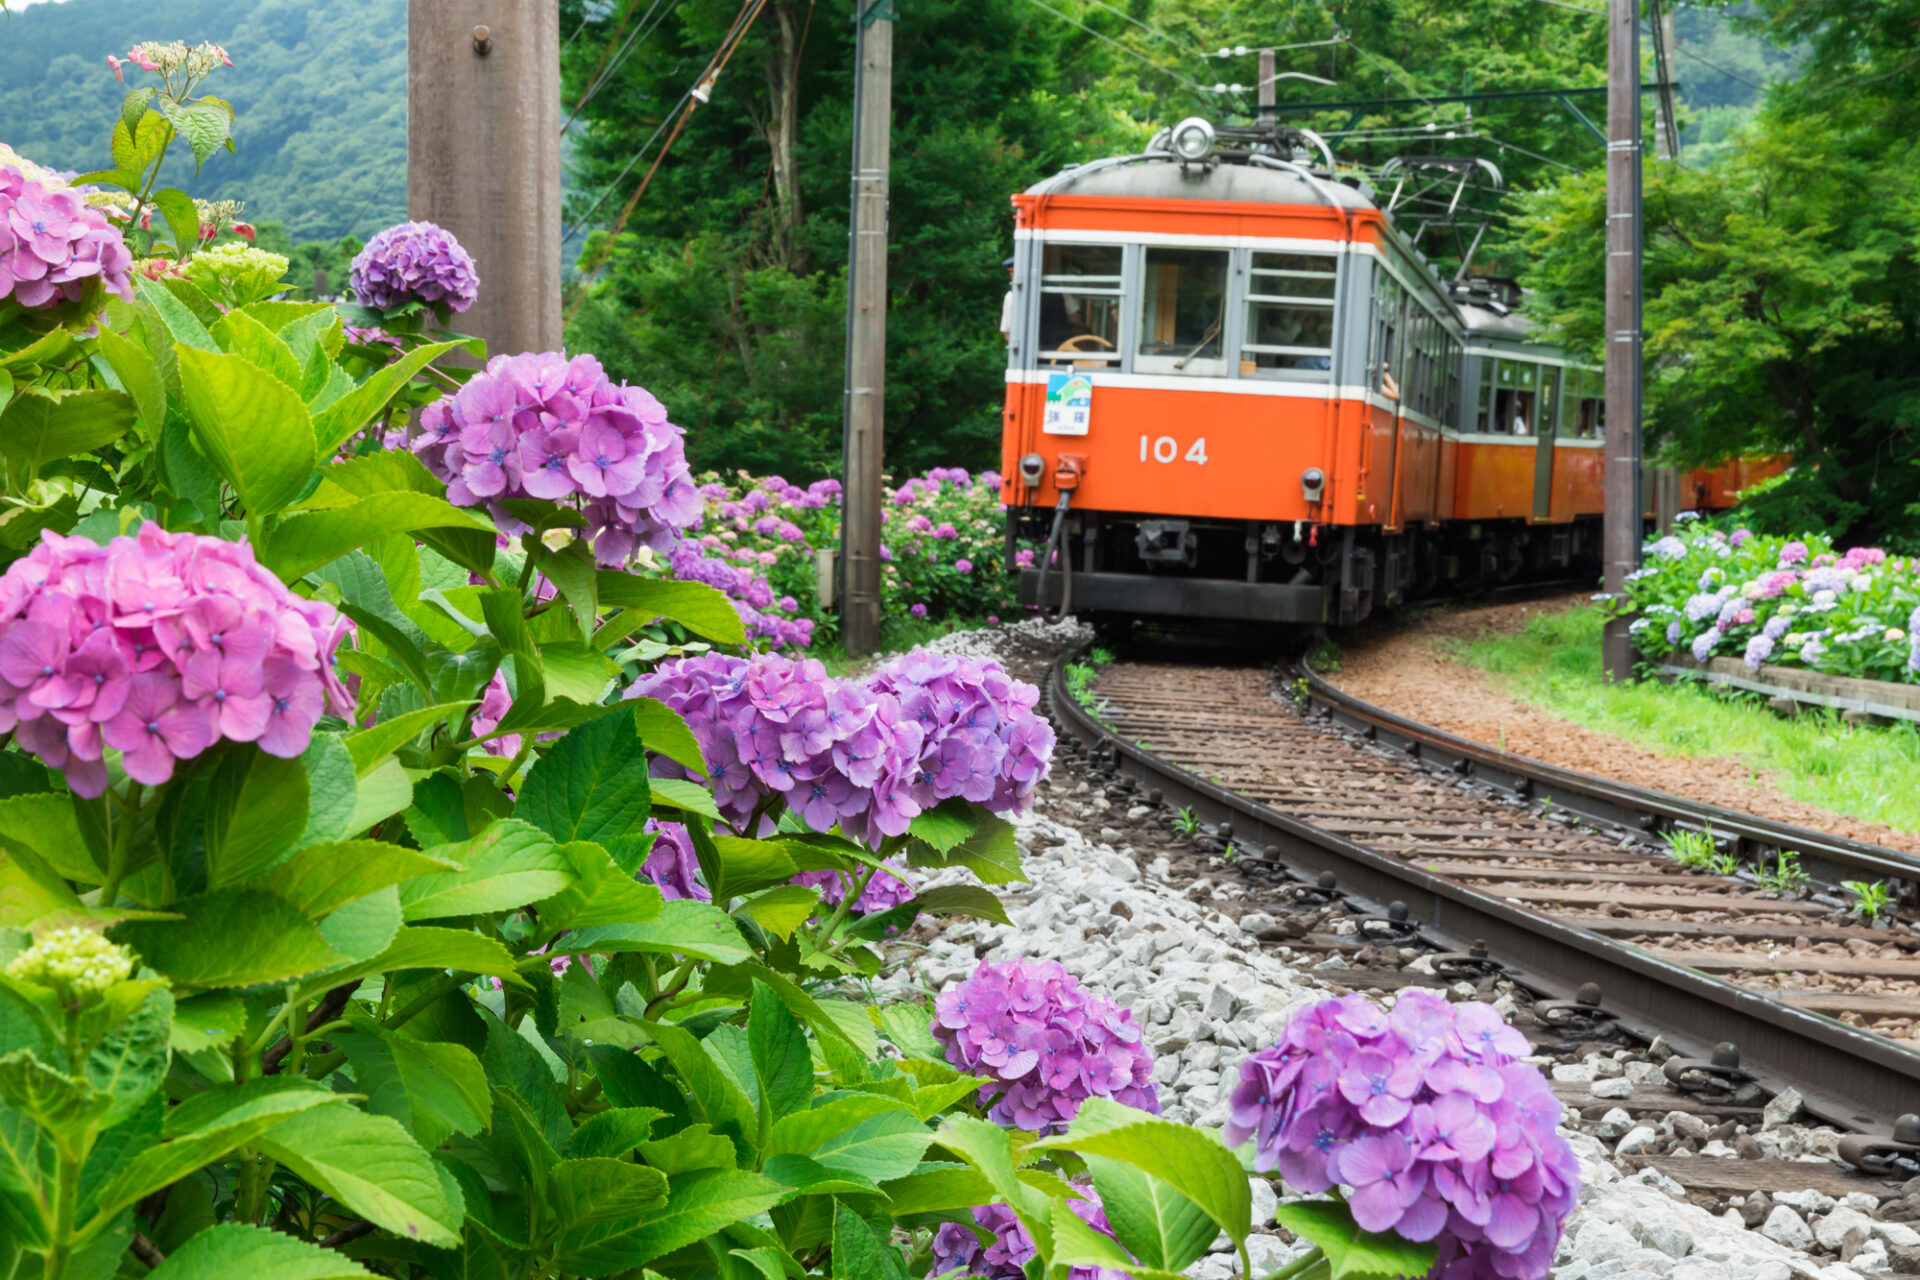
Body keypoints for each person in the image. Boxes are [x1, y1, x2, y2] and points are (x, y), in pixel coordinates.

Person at [998, 256, 1016, 343]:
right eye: (1010, 271)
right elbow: (1006, 331)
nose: (1011, 274)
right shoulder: (1010, 296)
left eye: (1013, 271)